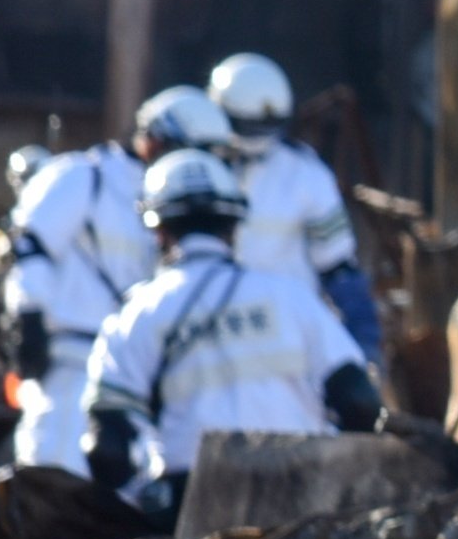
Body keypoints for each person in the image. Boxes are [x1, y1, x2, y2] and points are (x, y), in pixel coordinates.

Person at [81, 149, 375, 497]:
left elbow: (107, 450)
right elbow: (360, 401)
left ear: (158, 231)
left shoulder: (136, 314)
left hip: (193, 499)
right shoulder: (292, 297)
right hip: (301, 492)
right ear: (234, 226)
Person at [3, 87, 219, 471]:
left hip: (139, 370)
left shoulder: (169, 198)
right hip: (72, 362)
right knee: (57, 472)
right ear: (156, 140)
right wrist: (29, 317)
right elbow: (31, 248)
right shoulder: (82, 176)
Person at [203, 52, 386, 361]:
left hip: (285, 339)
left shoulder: (305, 175)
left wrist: (365, 343)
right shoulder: (196, 172)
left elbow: (339, 269)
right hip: (211, 337)